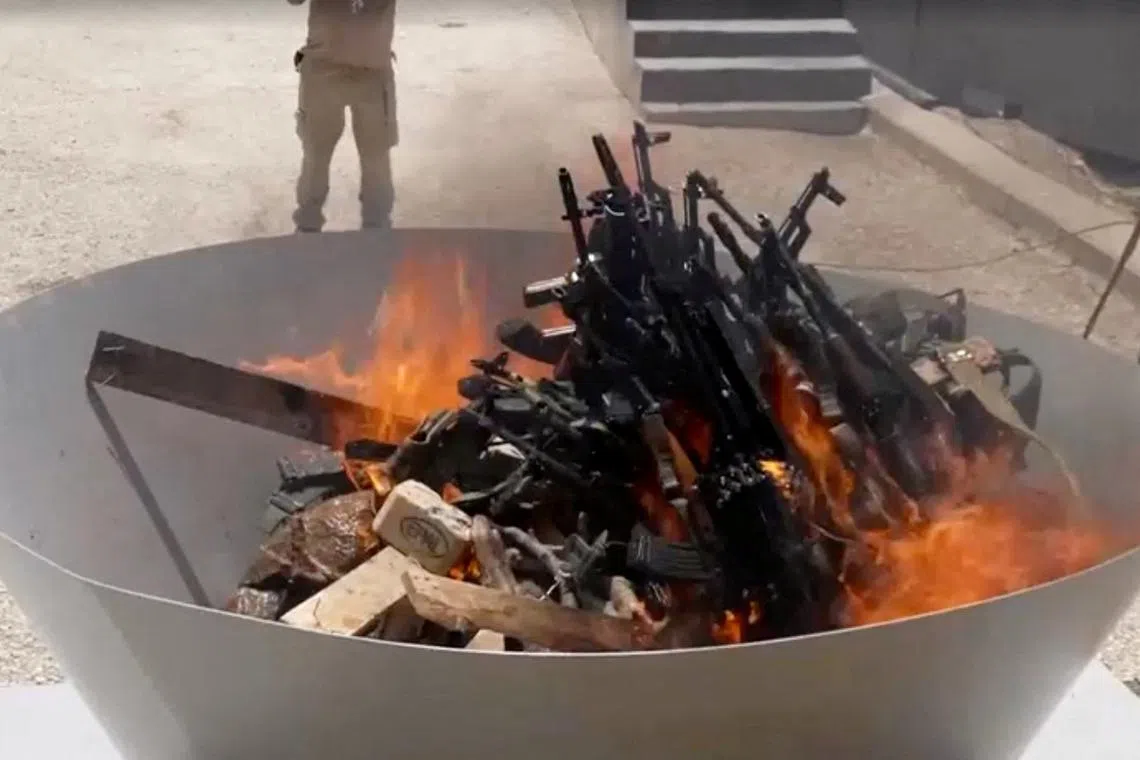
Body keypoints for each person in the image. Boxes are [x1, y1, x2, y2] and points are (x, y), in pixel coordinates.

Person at [286, 0, 398, 232]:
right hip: (325, 70)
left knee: (375, 159)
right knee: (316, 155)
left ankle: (376, 232)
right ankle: (308, 230)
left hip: (370, 73)